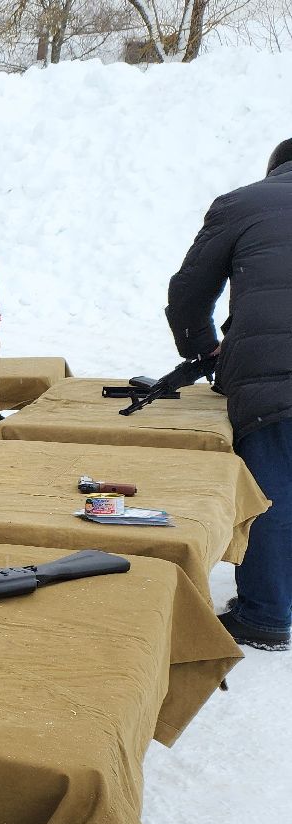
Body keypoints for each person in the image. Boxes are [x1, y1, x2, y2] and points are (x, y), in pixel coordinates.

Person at [166, 138, 292, 650]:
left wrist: (204, 350)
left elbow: (189, 292)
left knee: (272, 493)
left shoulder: (244, 203)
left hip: (272, 374)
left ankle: (266, 614)